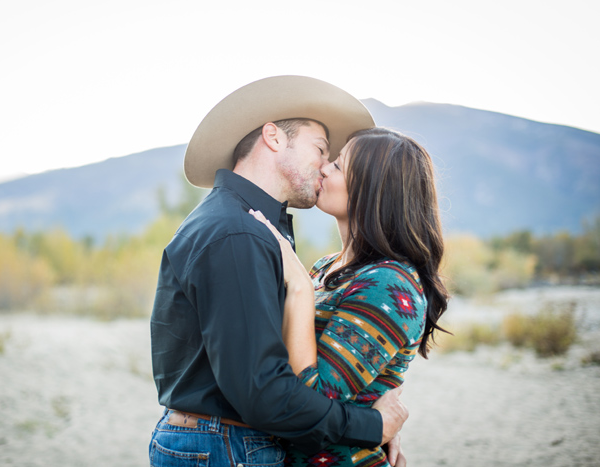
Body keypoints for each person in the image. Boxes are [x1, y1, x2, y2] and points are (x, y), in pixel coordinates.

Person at [149, 76, 409, 466]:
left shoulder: (245, 226)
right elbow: (264, 392)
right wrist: (372, 426)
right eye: (320, 149)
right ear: (273, 137)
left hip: (220, 442)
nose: (325, 167)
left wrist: (375, 401)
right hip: (226, 446)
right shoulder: (238, 234)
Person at [250, 127, 450, 466]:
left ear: (375, 190)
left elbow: (310, 401)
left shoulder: (387, 283)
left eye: (339, 166)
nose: (324, 167)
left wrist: (298, 285)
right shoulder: (327, 267)